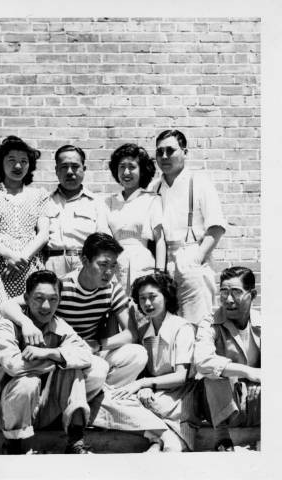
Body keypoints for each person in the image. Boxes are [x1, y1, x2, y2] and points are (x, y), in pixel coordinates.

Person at [0, 233, 148, 390]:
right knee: (97, 370)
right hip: (60, 354)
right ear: (84, 260)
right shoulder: (62, 286)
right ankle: (87, 394)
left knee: (138, 354)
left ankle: (103, 394)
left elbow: (131, 334)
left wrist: (98, 345)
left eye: (113, 266)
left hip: (91, 351)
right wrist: (26, 323)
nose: (109, 272)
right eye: (103, 264)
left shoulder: (112, 289)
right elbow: (5, 306)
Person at [0, 270, 97, 454]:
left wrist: (48, 352)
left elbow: (86, 355)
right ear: (26, 298)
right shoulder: (5, 326)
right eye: (39, 298)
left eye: (53, 299)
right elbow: (14, 366)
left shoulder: (59, 325)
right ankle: (13, 446)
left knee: (72, 368)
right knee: (29, 382)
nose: (46, 306)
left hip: (43, 409)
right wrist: (55, 362)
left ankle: (76, 441)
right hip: (6, 412)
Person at [111, 273, 197, 452]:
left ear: (166, 296)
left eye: (152, 297)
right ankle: (159, 440)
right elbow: (144, 371)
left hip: (179, 395)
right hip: (153, 392)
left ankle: (165, 441)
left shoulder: (182, 328)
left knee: (152, 407)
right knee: (116, 399)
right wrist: (146, 386)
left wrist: (144, 383)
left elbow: (181, 377)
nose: (147, 304)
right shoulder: (142, 330)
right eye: (142, 299)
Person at [149, 129, 226, 326]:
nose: (164, 156)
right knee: (169, 326)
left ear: (185, 152)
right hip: (163, 261)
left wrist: (196, 259)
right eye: (160, 152)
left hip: (191, 254)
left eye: (170, 150)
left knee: (197, 324)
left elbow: (216, 228)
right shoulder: (154, 187)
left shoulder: (199, 182)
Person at [0, 135, 49, 342]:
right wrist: (8, 254)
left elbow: (43, 233)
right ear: (1, 163)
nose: (18, 166)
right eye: (11, 160)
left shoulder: (39, 195)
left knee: (29, 325)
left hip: (30, 266)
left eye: (24, 161)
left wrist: (21, 258)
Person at [194, 266, 260, 451]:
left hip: (255, 398)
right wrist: (248, 371)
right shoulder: (210, 322)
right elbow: (202, 361)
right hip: (220, 402)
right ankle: (222, 440)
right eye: (224, 292)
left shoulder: (264, 324)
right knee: (212, 376)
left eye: (236, 292)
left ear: (252, 295)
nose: (228, 300)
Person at [106, 143, 166, 294]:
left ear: (142, 170)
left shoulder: (152, 200)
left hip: (142, 262)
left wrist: (160, 273)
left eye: (132, 167)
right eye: (121, 167)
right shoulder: (108, 202)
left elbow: (160, 239)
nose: (126, 172)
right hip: (114, 263)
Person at [44, 144, 109, 279]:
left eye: (75, 166)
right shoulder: (45, 201)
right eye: (64, 167)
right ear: (56, 170)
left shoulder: (97, 202)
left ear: (84, 169)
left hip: (84, 262)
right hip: (52, 263)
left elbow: (103, 238)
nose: (69, 171)